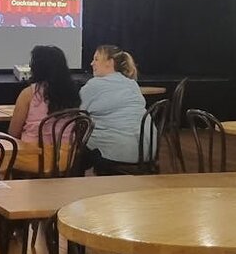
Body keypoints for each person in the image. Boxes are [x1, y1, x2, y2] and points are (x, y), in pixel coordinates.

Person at [80, 44, 150, 175]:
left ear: (110, 62)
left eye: (96, 59)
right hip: (147, 150)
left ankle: (71, 190)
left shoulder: (95, 85)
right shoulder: (132, 84)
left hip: (117, 152)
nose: (91, 63)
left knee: (75, 148)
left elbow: (76, 115)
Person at [9, 45, 80, 174]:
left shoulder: (29, 93)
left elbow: (13, 132)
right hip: (65, 158)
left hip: (34, 156)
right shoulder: (73, 93)